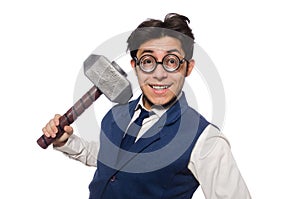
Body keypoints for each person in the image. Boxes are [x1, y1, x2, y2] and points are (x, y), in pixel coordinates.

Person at [42, 13, 251, 199]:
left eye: (171, 61)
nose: (159, 74)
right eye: (148, 61)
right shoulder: (116, 114)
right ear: (135, 66)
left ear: (188, 67)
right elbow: (108, 159)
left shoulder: (206, 140)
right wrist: (66, 141)